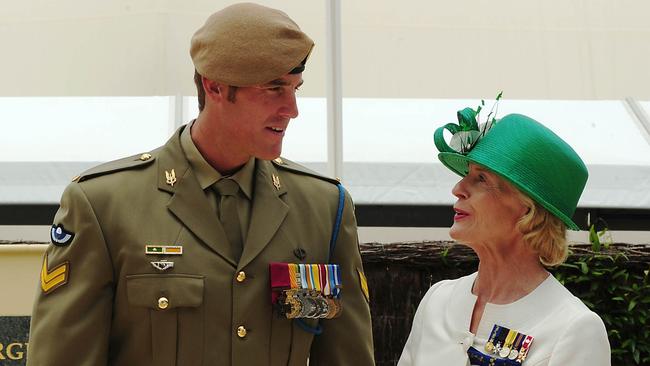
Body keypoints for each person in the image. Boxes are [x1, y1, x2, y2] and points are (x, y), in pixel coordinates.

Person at [27, 3, 374, 365]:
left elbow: (347, 356)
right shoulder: (102, 206)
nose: (292, 109)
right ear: (215, 87)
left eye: (294, 89)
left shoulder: (323, 207)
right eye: (274, 89)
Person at [398, 108, 611, 366]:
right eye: (467, 175)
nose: (458, 189)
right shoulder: (437, 301)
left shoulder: (574, 328)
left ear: (527, 208)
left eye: (481, 178)